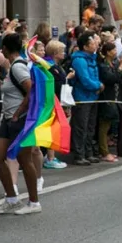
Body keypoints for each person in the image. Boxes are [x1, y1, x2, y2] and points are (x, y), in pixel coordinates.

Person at [0, 33, 42, 214]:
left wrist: (18, 112)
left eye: (2, 48)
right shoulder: (12, 66)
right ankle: (12, 199)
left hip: (20, 119)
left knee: (25, 159)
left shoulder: (18, 67)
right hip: (7, 120)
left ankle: (34, 202)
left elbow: (31, 89)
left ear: (6, 49)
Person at [70, 31, 104, 166]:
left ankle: (88, 153)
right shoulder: (79, 60)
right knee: (81, 127)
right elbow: (85, 80)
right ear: (85, 46)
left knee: (90, 127)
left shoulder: (91, 58)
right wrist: (98, 85)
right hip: (82, 97)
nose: (95, 44)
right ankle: (79, 154)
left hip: (93, 97)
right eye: (92, 43)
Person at [43, 40, 70, 169]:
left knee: (54, 128)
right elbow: (56, 84)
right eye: (61, 51)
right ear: (54, 53)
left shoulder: (56, 65)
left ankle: (51, 156)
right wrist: (67, 78)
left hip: (57, 101)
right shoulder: (49, 66)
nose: (64, 53)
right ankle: (50, 157)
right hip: (51, 101)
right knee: (51, 129)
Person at [97, 42, 122, 163]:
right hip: (106, 97)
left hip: (113, 96)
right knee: (104, 125)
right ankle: (104, 151)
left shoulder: (112, 64)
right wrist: (121, 67)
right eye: (113, 50)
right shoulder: (103, 65)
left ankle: (105, 149)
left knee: (109, 124)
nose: (115, 52)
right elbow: (111, 78)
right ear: (107, 52)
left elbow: (119, 78)